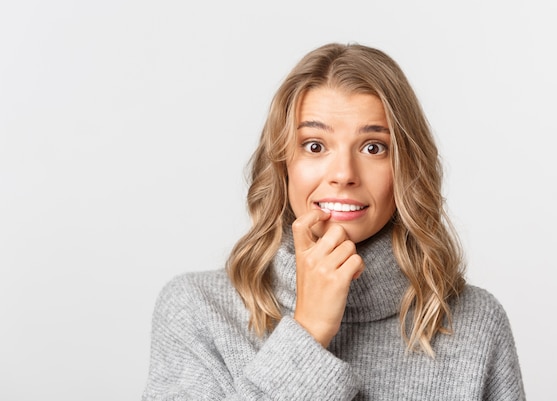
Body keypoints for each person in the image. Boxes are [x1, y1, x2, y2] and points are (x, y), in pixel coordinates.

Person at [142, 43, 525, 400]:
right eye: (314, 146)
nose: (343, 174)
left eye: (373, 147)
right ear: (282, 164)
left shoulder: (475, 321)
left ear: (406, 168)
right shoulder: (197, 310)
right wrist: (307, 331)